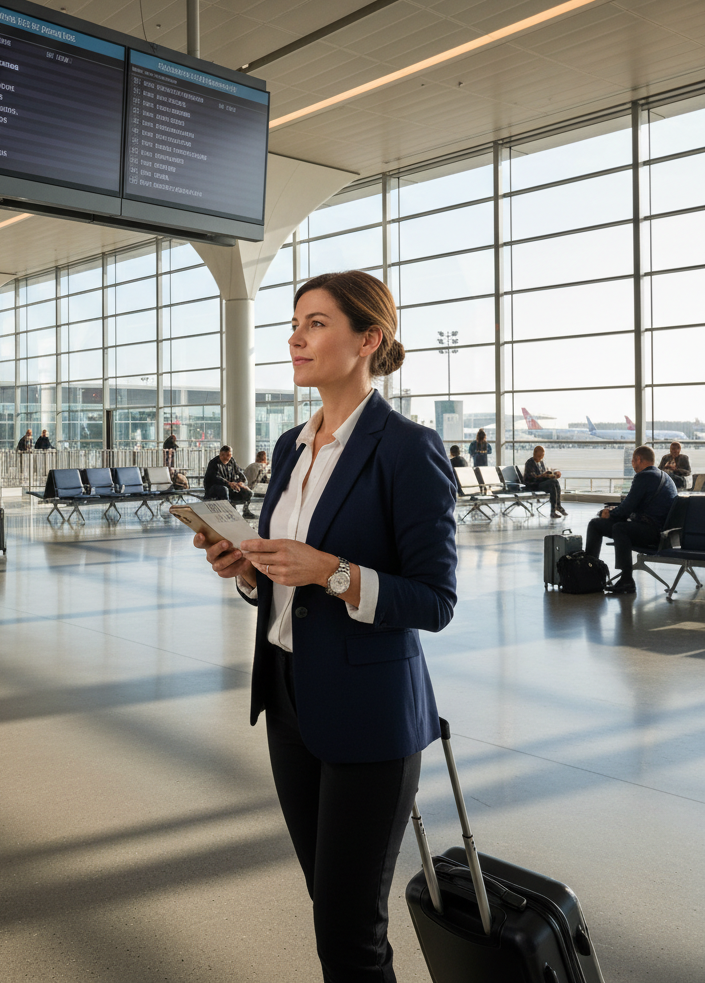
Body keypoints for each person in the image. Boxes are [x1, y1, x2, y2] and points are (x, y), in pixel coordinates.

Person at [194, 269, 457, 982]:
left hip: (370, 714)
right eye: (295, 321)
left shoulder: (407, 448)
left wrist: (331, 571)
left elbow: (434, 600)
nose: (295, 336)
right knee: (330, 909)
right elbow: (289, 578)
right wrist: (248, 568)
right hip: (287, 696)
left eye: (316, 323)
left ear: (368, 338)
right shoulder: (289, 446)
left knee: (349, 932)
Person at [585, 445, 677, 595]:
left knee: (615, 527)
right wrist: (617, 513)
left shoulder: (644, 476)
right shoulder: (665, 477)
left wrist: (609, 514)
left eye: (633, 461)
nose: (632, 465)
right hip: (665, 533)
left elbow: (627, 508)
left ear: (638, 460)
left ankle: (618, 578)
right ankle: (599, 574)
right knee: (599, 525)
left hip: (652, 533)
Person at [524, 445, 565, 518]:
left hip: (540, 483)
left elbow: (545, 472)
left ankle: (557, 506)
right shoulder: (530, 463)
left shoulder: (541, 462)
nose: (540, 458)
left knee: (554, 481)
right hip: (533, 485)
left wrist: (553, 474)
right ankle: (554, 509)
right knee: (552, 483)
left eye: (542, 456)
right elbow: (531, 477)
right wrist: (542, 476)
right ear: (534, 454)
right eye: (539, 456)